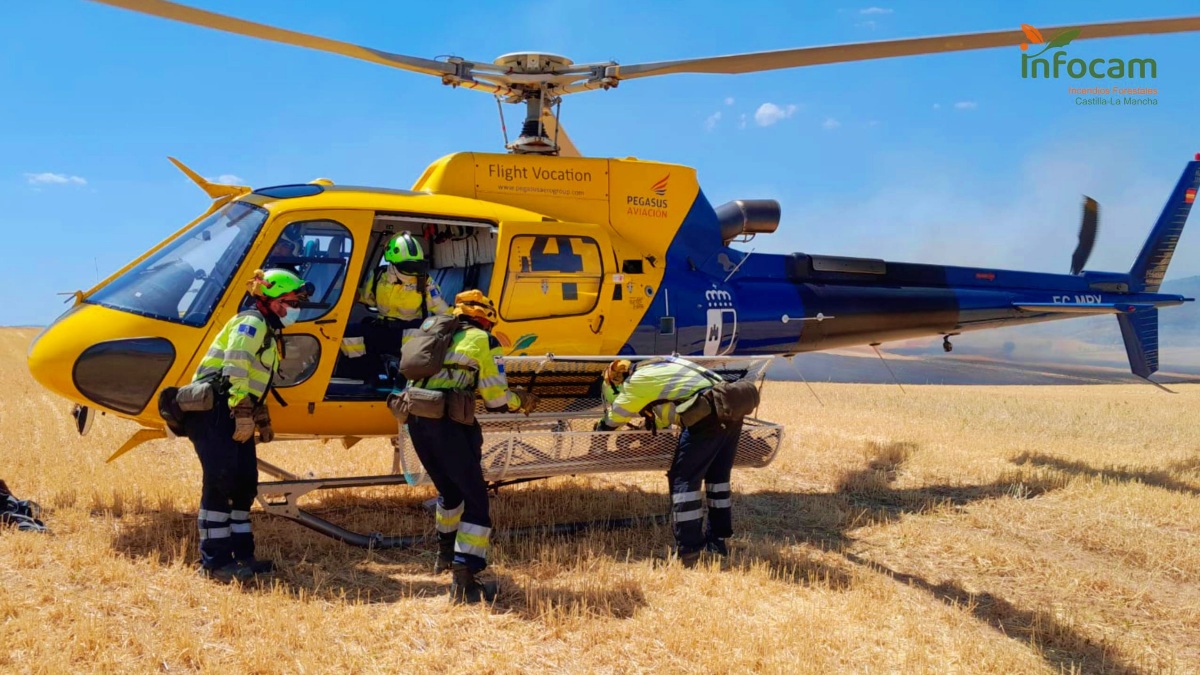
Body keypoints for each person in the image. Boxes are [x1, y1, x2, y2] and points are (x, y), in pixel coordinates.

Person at [404, 289, 538, 603]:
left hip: (415, 418)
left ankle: (445, 555)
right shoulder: (483, 340)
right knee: (476, 500)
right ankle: (464, 581)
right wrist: (521, 399)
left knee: (449, 493)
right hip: (448, 424)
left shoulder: (432, 329)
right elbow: (496, 400)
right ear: (485, 319)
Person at [186, 268, 312, 582]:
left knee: (243, 484)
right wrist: (242, 410)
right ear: (269, 301)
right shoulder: (252, 323)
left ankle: (242, 556)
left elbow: (254, 379)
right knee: (220, 483)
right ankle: (214, 564)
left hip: (232, 409)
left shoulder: (267, 331)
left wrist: (260, 415)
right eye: (290, 301)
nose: (295, 307)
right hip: (217, 410)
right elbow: (235, 365)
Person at [594, 356, 744, 567]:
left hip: (706, 416)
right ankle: (717, 542)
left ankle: (689, 551)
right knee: (717, 479)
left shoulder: (637, 381)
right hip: (731, 411)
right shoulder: (663, 365)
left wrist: (601, 431)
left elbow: (618, 414)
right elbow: (667, 413)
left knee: (684, 481)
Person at [357, 232, 450, 388]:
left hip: (410, 332)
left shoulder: (425, 281)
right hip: (383, 327)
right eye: (408, 266)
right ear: (392, 263)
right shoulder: (378, 276)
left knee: (407, 364)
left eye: (417, 266)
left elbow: (440, 307)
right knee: (353, 336)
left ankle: (402, 386)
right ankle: (369, 380)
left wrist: (457, 321)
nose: (413, 271)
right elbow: (368, 298)